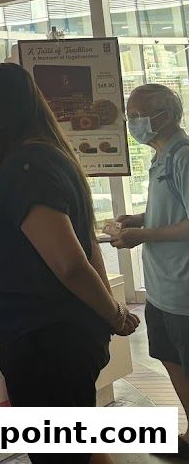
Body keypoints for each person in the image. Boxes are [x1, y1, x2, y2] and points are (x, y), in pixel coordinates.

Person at [0, 63, 137, 460]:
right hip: (53, 336)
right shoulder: (44, 158)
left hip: (47, 341)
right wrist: (109, 311)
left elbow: (70, 263)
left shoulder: (27, 168)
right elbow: (83, 249)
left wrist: (113, 315)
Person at [110, 83, 189, 453]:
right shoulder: (161, 158)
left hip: (184, 290)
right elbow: (176, 211)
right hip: (161, 288)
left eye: (137, 115)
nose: (132, 123)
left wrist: (145, 233)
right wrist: (139, 219)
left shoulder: (184, 157)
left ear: (165, 115)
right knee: (169, 358)